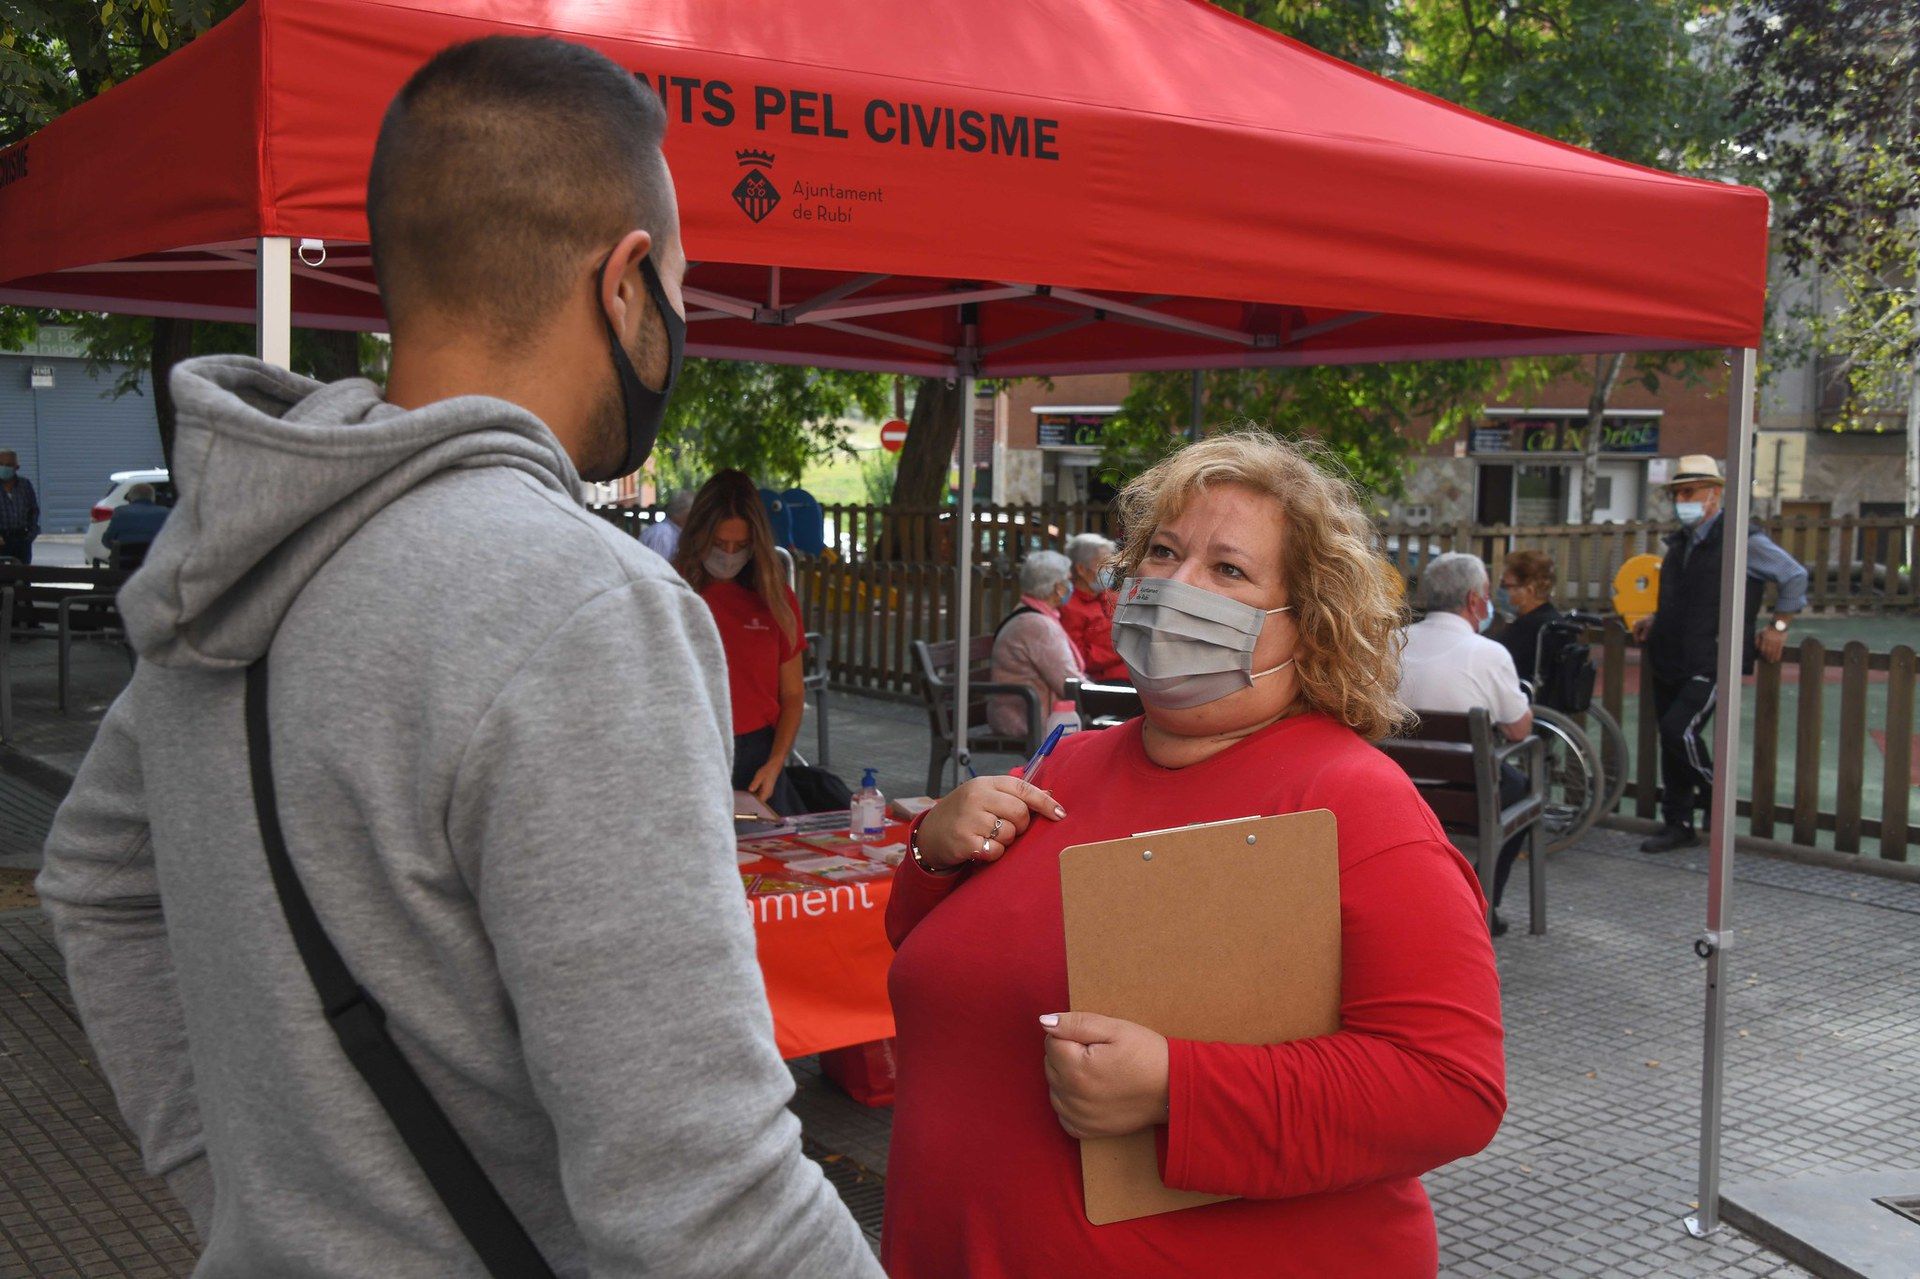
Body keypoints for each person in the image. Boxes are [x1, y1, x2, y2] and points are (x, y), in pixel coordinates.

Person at [36, 36, 875, 1278]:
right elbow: (706, 1197)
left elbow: (95, 881)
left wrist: (232, 1197)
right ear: (628, 282)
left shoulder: (232, 560)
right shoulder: (590, 607)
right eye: (684, 284)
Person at [883, 433, 1504, 1278]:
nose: (1175, 586)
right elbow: (930, 950)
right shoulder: (1069, 762)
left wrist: (1179, 1087)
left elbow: (1451, 1088)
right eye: (1165, 552)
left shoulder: (1354, 802)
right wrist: (932, 852)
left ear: (1309, 624)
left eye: (1229, 570)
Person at [1631, 455, 1807, 852]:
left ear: (1714, 494)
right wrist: (1657, 618)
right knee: (1671, 740)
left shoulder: (1742, 539)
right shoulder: (1681, 542)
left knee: (1681, 730)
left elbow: (1793, 575)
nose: (1682, 500)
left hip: (1712, 658)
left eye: (1689, 492)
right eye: (1677, 493)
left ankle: (1715, 797)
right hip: (1672, 654)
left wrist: (1779, 626)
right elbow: (1687, 596)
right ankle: (1678, 823)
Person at [1399, 552, 1535, 936]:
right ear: (1475, 601)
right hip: (1467, 793)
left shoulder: (1392, 643)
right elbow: (1519, 732)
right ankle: (1477, 902)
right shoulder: (1489, 654)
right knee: (1521, 787)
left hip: (1398, 787)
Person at [675, 469, 809, 816]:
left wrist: (777, 761)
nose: (729, 554)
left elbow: (793, 695)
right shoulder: (671, 590)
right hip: (689, 747)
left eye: (740, 546)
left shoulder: (775, 598)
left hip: (758, 755)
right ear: (699, 536)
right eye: (719, 545)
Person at [987, 549, 1086, 739]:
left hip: (1022, 712)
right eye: (1068, 580)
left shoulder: (1031, 615)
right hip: (1026, 718)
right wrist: (1106, 699)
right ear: (1058, 587)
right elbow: (1068, 682)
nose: (1071, 586)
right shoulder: (1038, 625)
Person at [1058, 531, 1129, 682]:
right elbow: (1079, 658)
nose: (1110, 570)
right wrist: (1122, 648)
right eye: (1104, 564)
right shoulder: (1069, 606)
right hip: (1103, 685)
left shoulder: (1112, 597)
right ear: (1081, 569)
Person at [1494, 548, 1561, 687]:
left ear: (1529, 590)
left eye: (1506, 586)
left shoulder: (1525, 630)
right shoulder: (1556, 622)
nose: (1502, 591)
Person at [102, 482, 170, 568]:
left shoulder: (120, 512)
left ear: (131, 497)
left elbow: (107, 539)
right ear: (153, 496)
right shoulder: (165, 512)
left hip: (124, 563)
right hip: (155, 563)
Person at [0, 449, 40, 563]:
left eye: (8, 465)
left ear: (16, 467)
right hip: (2, 538)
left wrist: (30, 536)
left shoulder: (24, 485)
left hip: (21, 539)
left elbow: (34, 511)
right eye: (1, 464)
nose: (4, 468)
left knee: (23, 576)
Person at [639, 486, 692, 560]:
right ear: (682, 513)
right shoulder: (663, 534)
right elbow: (655, 567)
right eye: (692, 512)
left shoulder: (667, 532)